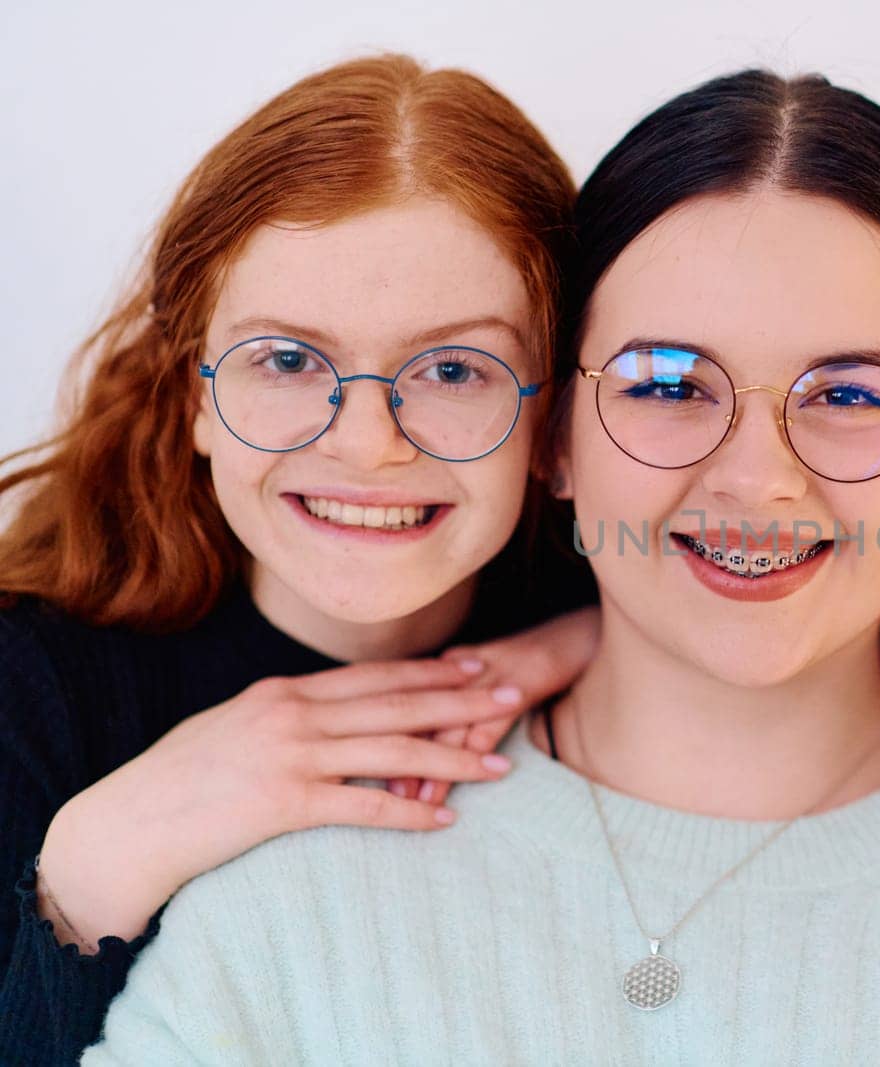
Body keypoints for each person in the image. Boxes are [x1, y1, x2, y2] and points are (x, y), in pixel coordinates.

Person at [84, 70, 880, 1065]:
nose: (758, 479)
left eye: (850, 396)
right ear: (553, 435)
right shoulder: (288, 879)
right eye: (667, 384)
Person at [0, 54, 594, 1065]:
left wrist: (596, 637)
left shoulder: (622, 621)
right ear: (192, 398)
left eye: (454, 368)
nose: (368, 441)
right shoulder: (30, 679)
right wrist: (90, 870)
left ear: (553, 425)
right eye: (285, 359)